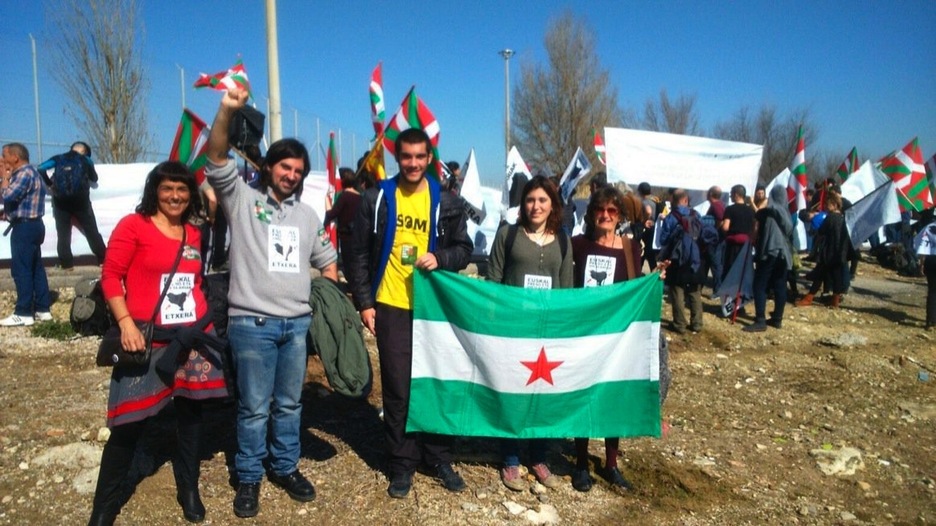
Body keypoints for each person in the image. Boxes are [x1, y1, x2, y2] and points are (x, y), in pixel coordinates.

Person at [205, 88, 338, 519]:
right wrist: (226, 109)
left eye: (299, 170)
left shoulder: (307, 215)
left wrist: (327, 304)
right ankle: (248, 478)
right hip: (252, 326)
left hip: (296, 327)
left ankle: (284, 467)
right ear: (268, 166)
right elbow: (216, 156)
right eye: (285, 166)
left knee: (289, 405)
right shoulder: (242, 199)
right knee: (253, 408)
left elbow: (328, 262)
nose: (292, 175)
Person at [88, 161, 229, 524]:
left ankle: (188, 488)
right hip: (146, 338)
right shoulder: (133, 226)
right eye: (168, 188)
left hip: (193, 336)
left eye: (182, 189)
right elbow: (111, 276)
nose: (175, 196)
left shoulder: (194, 233)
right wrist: (124, 324)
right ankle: (104, 507)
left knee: (192, 416)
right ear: (155, 190)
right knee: (127, 424)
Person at [346, 127, 472, 499]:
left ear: (430, 159)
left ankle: (438, 456)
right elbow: (357, 254)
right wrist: (365, 303)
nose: (413, 163)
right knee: (399, 388)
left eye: (420, 157)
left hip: (435, 309)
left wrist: (442, 257)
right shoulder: (377, 199)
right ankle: (402, 464)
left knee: (436, 383)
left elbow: (464, 249)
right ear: (396, 158)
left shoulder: (447, 201)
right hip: (392, 306)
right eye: (406, 157)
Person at [487, 175, 573, 492]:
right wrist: (494, 323)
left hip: (547, 332)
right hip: (512, 330)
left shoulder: (564, 240)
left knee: (542, 393)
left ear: (553, 205)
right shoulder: (507, 235)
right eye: (530, 200)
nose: (535, 206)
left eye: (542, 200)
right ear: (523, 204)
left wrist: (563, 330)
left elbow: (567, 290)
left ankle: (538, 456)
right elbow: (493, 281)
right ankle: (510, 458)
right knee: (512, 391)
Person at [569, 186, 642, 492]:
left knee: (614, 397)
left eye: (613, 211)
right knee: (584, 396)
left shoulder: (630, 247)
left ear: (620, 216)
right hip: (584, 334)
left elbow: (636, 289)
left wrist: (657, 280)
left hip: (617, 338)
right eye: (601, 210)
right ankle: (582, 462)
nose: (606, 215)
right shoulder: (577, 245)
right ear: (592, 212)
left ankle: (611, 463)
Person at [0, 143, 52, 327]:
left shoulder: (23, 174)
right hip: (34, 225)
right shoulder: (34, 173)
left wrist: (4, 178)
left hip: (25, 228)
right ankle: (43, 309)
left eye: (4, 155)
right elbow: (23, 201)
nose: (3, 159)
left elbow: (7, 196)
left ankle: (23, 312)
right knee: (35, 267)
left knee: (21, 269)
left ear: (15, 157)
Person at [37, 141, 107, 269]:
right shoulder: (86, 160)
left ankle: (66, 264)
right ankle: (103, 259)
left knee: (63, 233)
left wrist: (50, 184)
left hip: (60, 202)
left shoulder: (58, 158)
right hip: (81, 202)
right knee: (91, 231)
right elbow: (94, 178)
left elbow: (40, 168)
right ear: (84, 151)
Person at [658, 189, 715, 334]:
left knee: (677, 291)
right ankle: (697, 323)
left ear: (673, 200)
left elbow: (662, 240)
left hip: (676, 260)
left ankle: (679, 324)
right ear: (685, 200)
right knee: (695, 291)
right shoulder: (696, 215)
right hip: (696, 259)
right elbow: (703, 234)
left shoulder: (671, 217)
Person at [744, 185, 794, 332]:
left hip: (769, 250)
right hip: (784, 254)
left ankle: (760, 320)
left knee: (760, 284)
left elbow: (755, 228)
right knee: (780, 285)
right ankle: (777, 318)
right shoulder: (787, 214)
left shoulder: (766, 212)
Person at [796, 193, 849, 309]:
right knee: (836, 277)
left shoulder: (831, 217)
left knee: (820, 275)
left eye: (828, 204)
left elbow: (822, 230)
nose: (826, 206)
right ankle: (835, 301)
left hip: (829, 252)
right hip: (839, 253)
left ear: (834, 204)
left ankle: (809, 298)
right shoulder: (843, 218)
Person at [323, 167, 362, 273]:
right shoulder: (360, 196)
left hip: (346, 237)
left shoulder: (344, 196)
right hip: (358, 236)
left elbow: (331, 214)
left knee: (348, 266)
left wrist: (326, 200)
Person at [721, 185, 756, 298]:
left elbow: (726, 227)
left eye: (731, 193)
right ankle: (741, 301)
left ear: (736, 194)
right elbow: (755, 228)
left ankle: (730, 299)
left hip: (733, 245)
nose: (730, 196)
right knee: (743, 273)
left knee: (731, 272)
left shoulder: (730, 209)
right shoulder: (751, 211)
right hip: (746, 245)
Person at [704, 186, 725, 294]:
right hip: (715, 240)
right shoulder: (718, 204)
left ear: (711, 193)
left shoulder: (717, 206)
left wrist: (714, 231)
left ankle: (718, 290)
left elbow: (720, 220)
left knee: (716, 264)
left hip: (715, 241)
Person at [638, 182, 659, 271]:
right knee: (651, 256)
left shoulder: (641, 202)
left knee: (641, 253)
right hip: (653, 229)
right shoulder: (655, 202)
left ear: (640, 191)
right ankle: (654, 275)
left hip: (644, 229)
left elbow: (648, 212)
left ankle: (637, 273)